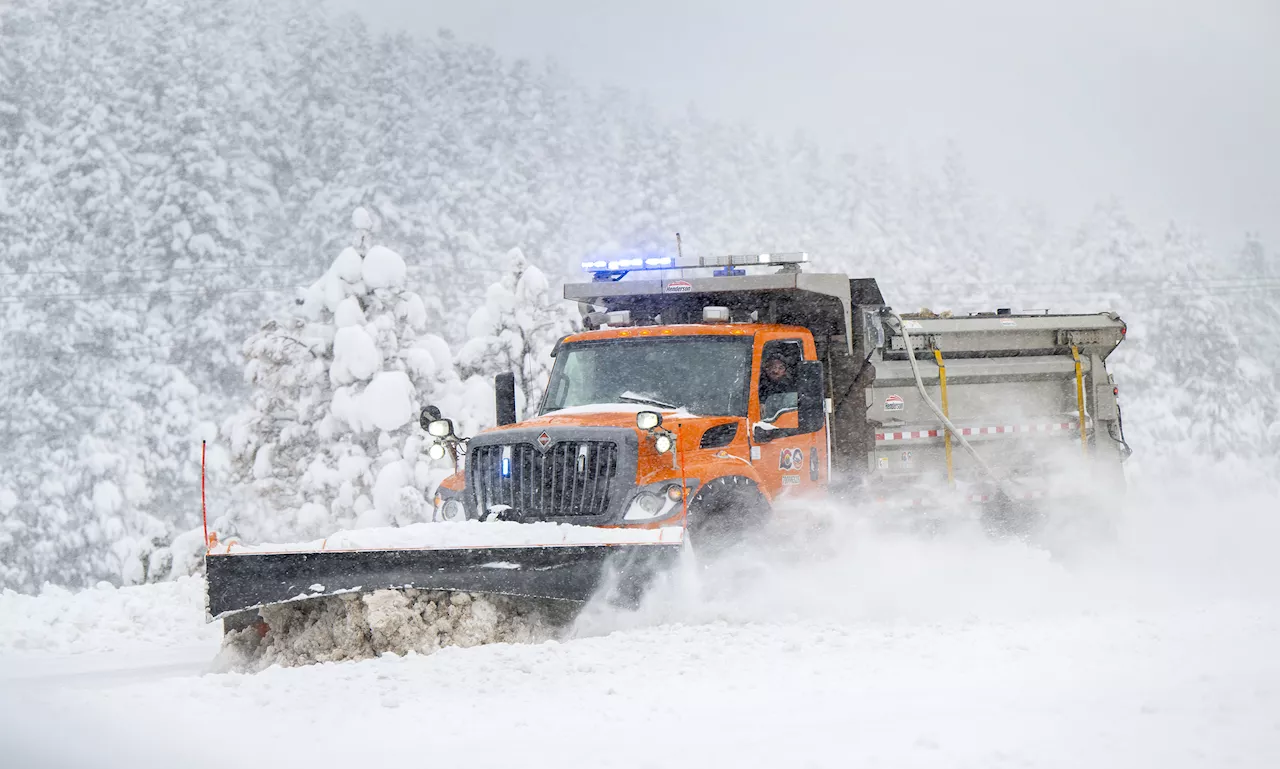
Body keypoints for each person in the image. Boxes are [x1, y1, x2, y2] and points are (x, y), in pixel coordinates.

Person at [759, 352, 797, 420]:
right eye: (773, 367)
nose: (776, 371)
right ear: (766, 368)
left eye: (780, 368)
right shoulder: (757, 384)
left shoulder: (789, 387)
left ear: (785, 371)